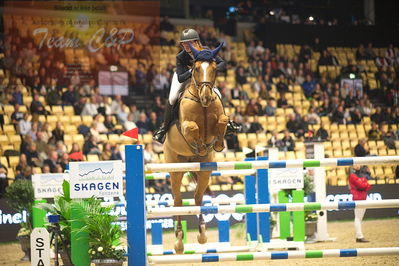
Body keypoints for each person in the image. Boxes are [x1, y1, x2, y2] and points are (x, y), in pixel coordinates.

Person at [152, 28, 239, 143]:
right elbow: (180, 77)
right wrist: (192, 71)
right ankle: (164, 128)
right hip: (185, 78)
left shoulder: (206, 51)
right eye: (184, 43)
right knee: (173, 98)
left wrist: (211, 69)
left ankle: (227, 123)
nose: (186, 45)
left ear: (197, 42)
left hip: (203, 79)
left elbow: (222, 63)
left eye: (189, 42)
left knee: (218, 94)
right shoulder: (181, 57)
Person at [349, 165, 371, 243]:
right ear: (352, 166)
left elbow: (368, 186)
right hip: (358, 198)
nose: (358, 166)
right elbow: (361, 185)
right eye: (355, 164)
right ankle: (359, 236)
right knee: (358, 218)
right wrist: (364, 184)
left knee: (360, 218)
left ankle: (359, 236)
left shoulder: (361, 175)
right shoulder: (352, 176)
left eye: (358, 164)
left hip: (363, 198)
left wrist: (364, 184)